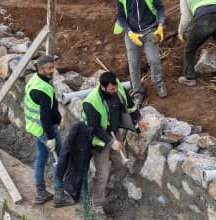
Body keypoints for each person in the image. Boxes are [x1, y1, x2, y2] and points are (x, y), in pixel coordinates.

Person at [55, 71, 138, 210]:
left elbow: (130, 105)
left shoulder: (118, 88)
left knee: (120, 163)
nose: (115, 91)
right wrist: (111, 142)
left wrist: (139, 119)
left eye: (116, 87)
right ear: (103, 87)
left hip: (114, 134)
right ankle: (96, 203)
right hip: (100, 140)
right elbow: (95, 128)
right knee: (102, 174)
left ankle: (103, 184)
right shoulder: (91, 103)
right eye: (111, 89)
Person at [114, 0, 167, 100]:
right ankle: (137, 92)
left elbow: (160, 7)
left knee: (154, 60)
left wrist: (161, 24)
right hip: (132, 34)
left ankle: (159, 84)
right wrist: (129, 32)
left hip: (150, 30)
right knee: (134, 65)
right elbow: (120, 17)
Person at [21, 54, 62, 204]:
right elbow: (45, 117)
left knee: (41, 158)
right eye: (49, 68)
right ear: (40, 69)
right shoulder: (43, 89)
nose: (52, 71)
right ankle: (59, 195)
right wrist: (51, 137)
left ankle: (41, 192)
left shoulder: (34, 80)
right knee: (58, 159)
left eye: (53, 67)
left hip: (36, 129)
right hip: (45, 130)